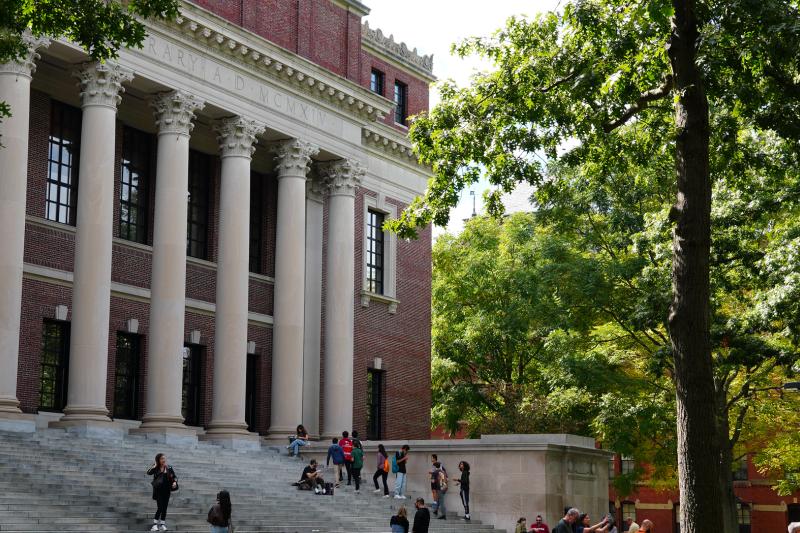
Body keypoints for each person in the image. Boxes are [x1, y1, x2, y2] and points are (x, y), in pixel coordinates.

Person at [147, 453, 178, 531]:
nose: (163, 460)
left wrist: (174, 482)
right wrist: (154, 465)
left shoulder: (169, 467)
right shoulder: (156, 468)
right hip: (158, 491)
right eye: (161, 459)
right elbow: (148, 473)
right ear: (158, 460)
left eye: (164, 458)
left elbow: (174, 477)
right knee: (160, 507)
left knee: (164, 508)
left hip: (167, 491)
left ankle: (162, 524)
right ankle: (154, 525)